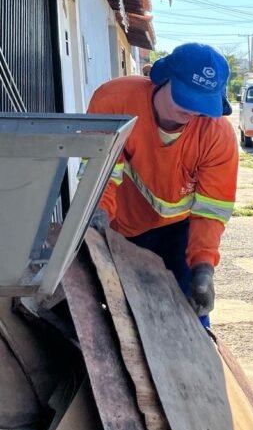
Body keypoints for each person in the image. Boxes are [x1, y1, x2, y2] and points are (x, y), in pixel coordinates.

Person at [86, 43, 239, 328]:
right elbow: (101, 176)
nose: (193, 111)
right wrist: (97, 224)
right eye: (187, 98)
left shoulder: (216, 133)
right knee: (119, 319)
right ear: (164, 77)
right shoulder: (115, 102)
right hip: (119, 228)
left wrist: (203, 267)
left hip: (179, 231)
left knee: (190, 318)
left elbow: (211, 210)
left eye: (202, 103)